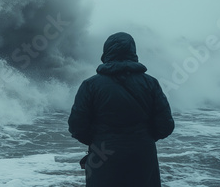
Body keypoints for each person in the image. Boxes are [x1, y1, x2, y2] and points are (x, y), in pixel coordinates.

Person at [68, 32, 174, 187]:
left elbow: (76, 126)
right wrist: (143, 138)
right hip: (142, 155)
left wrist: (98, 141)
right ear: (133, 52)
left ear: (106, 52)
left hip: (103, 156)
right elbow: (166, 125)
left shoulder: (90, 85)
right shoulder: (151, 84)